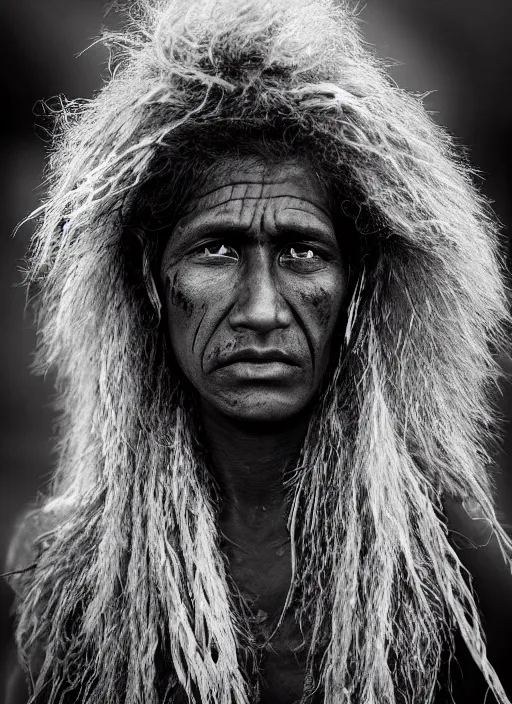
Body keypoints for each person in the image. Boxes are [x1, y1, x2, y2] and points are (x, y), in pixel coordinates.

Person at [3, 0, 512, 702]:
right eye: (216, 250)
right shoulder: (66, 571)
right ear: (151, 279)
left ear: (355, 285)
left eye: (303, 251)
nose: (263, 310)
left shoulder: (447, 559)